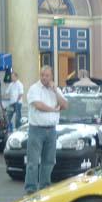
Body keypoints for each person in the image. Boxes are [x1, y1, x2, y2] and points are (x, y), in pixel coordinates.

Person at [25, 66, 68, 194]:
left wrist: (55, 91)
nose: (44, 77)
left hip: (51, 130)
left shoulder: (56, 89)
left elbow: (65, 105)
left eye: (47, 75)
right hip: (36, 130)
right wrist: (53, 109)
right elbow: (38, 105)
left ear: (51, 76)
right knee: (33, 161)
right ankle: (31, 189)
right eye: (42, 75)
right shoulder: (34, 89)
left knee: (49, 161)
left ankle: (45, 188)